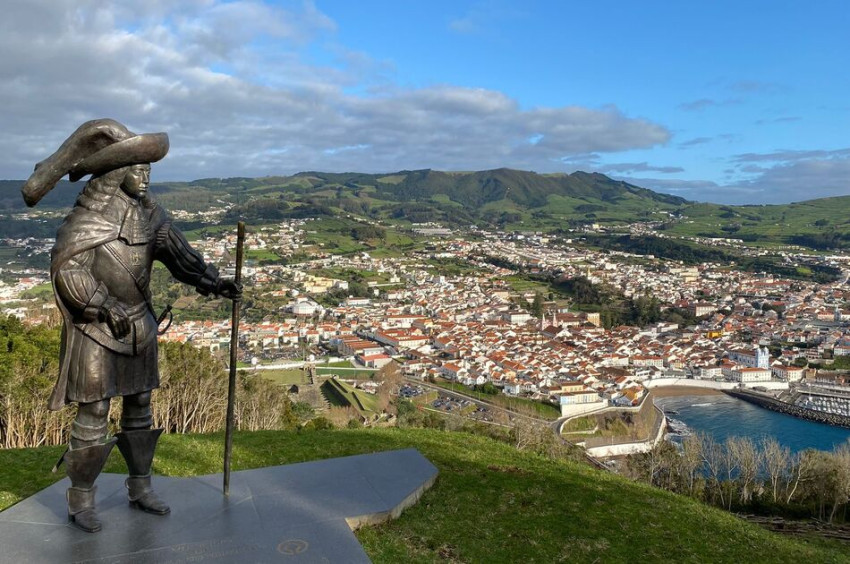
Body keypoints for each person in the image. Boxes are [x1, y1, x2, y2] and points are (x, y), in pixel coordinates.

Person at [21, 119, 241, 533]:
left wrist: (214, 281)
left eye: (148, 171)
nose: (145, 178)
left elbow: (179, 256)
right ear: (117, 174)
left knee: (140, 406)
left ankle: (140, 486)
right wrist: (101, 305)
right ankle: (81, 497)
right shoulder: (87, 221)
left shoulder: (152, 217)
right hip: (98, 329)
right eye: (138, 170)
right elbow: (69, 270)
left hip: (140, 324)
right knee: (96, 410)